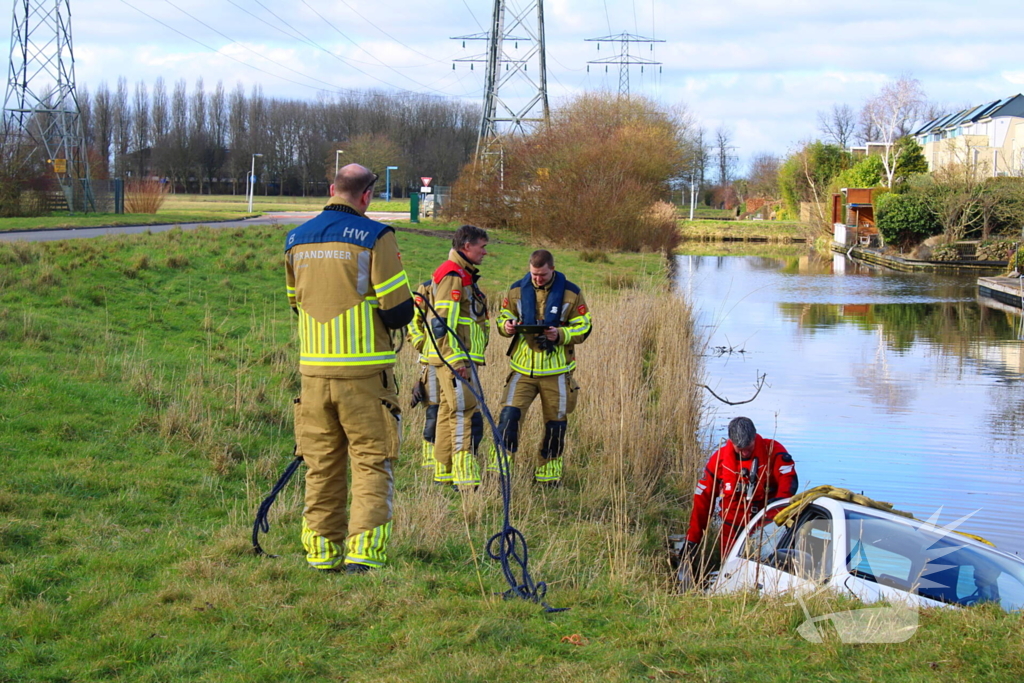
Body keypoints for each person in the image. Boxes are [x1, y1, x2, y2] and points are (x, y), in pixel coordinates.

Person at [285, 163, 414, 573]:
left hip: (313, 376)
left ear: (331, 190)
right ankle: (363, 554)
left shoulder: (294, 240)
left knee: (321, 464)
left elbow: (295, 303)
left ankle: (321, 554)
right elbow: (398, 313)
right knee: (372, 461)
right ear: (366, 196)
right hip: (364, 378)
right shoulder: (377, 237)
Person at [493, 250, 592, 485]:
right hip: (521, 369)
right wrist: (506, 326)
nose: (537, 279)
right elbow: (502, 317)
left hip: (557, 373)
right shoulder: (516, 289)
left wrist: (560, 334)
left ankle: (548, 477)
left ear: (552, 269)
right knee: (508, 417)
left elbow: (584, 327)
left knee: (556, 426)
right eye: (534, 274)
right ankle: (500, 472)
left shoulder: (572, 293)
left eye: (542, 275)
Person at [424, 225, 489, 488]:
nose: (485, 252)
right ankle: (464, 476)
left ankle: (444, 471)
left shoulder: (461, 274)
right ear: (466, 247)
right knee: (463, 411)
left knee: (447, 412)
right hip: (455, 360)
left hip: (452, 358)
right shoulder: (453, 275)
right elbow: (442, 323)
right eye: (481, 247)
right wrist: (456, 361)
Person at [684, 416, 799, 558]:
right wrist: (692, 540)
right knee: (730, 569)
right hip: (730, 530)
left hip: (764, 527)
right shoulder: (719, 460)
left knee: (765, 565)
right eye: (740, 449)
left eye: (748, 448)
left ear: (754, 437)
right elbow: (702, 500)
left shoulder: (773, 451)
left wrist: (776, 513)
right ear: (731, 441)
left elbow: (788, 482)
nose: (745, 453)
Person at [408, 279, 441, 470]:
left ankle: (446, 456)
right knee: (433, 411)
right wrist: (422, 345)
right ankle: (429, 459)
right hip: (431, 363)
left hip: (457, 362)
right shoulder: (427, 288)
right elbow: (413, 320)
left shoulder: (468, 286)